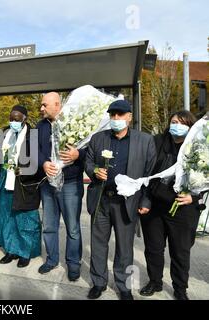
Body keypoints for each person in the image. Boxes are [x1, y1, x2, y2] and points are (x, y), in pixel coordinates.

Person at [85, 100, 156, 300]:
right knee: (98, 244)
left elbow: (150, 173)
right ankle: (98, 282)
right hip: (101, 199)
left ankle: (124, 287)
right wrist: (94, 171)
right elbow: (88, 161)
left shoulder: (144, 140)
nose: (116, 119)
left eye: (120, 115)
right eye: (113, 115)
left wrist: (146, 201)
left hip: (127, 202)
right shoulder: (98, 138)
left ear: (129, 117)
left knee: (125, 247)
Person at [140, 111, 203, 300]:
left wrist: (195, 196)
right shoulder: (157, 142)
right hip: (155, 205)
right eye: (174, 122)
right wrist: (145, 199)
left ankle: (179, 289)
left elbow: (205, 177)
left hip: (183, 207)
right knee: (153, 248)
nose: (177, 125)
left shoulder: (199, 147)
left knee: (180, 252)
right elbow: (145, 170)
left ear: (191, 127)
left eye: (183, 123)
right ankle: (155, 282)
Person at [36, 92, 86, 280]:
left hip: (70, 183)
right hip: (48, 183)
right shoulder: (40, 126)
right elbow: (35, 150)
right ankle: (51, 259)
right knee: (49, 225)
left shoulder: (76, 123)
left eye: (44, 105)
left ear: (57, 105)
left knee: (72, 227)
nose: (41, 108)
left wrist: (77, 154)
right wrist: (43, 163)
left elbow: (90, 148)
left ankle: (73, 263)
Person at [0, 105, 42, 268]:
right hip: (5, 179)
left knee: (24, 218)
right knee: (8, 216)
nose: (13, 122)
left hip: (24, 181)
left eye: (16, 119)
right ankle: (11, 249)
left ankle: (24, 252)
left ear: (24, 118)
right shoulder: (5, 133)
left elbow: (37, 160)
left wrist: (22, 170)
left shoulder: (33, 135)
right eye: (11, 119)